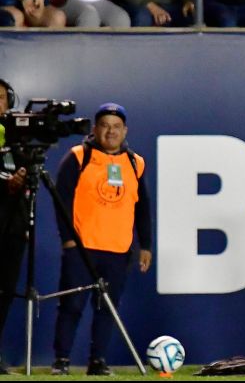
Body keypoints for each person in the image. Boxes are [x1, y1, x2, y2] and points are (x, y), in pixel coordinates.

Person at [51, 103, 153, 376]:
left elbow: (142, 207)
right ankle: (61, 361)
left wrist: (146, 245)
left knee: (107, 308)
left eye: (116, 127)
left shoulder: (135, 162)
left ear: (125, 131)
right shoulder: (78, 156)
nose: (111, 132)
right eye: (105, 126)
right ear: (95, 129)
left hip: (119, 249)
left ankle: (98, 362)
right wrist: (68, 240)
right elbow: (62, 200)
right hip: (82, 248)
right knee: (71, 306)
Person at [0, 79, 27, 375]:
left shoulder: (18, 139)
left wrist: (21, 180)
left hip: (14, 227)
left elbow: (28, 179)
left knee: (6, 290)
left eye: (2, 98)